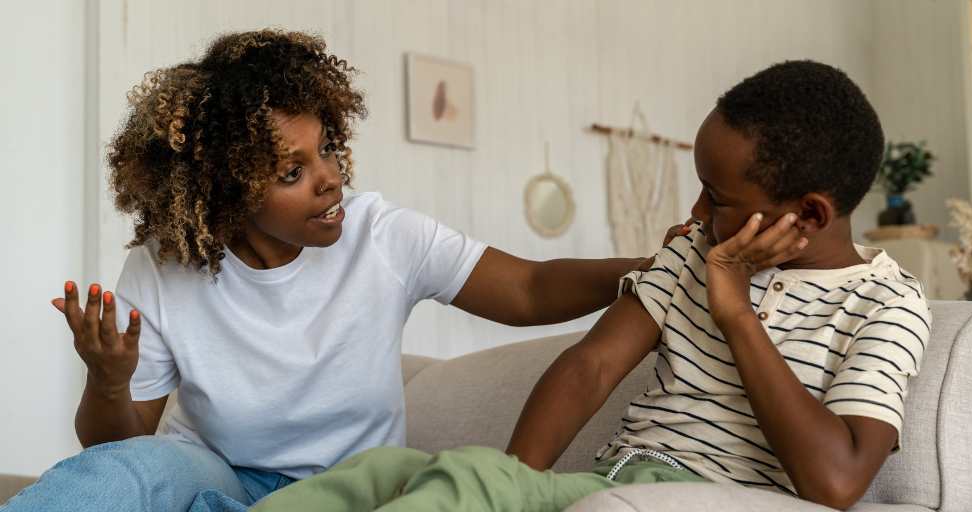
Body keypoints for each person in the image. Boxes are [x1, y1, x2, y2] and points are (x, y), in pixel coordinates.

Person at [0, 30, 684, 512]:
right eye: (292, 172)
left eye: (326, 150)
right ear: (225, 189)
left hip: (349, 489)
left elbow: (530, 287)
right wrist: (108, 379)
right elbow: (112, 448)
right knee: (135, 472)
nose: (330, 180)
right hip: (218, 476)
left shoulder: (381, 234)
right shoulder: (164, 267)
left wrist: (657, 267)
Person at [250, 60, 932, 512]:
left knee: (465, 483)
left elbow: (836, 482)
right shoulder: (698, 253)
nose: (694, 215)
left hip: (689, 495)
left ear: (808, 214)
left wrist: (737, 313)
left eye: (716, 198)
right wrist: (516, 483)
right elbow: (590, 365)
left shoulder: (885, 303)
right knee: (376, 475)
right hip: (606, 480)